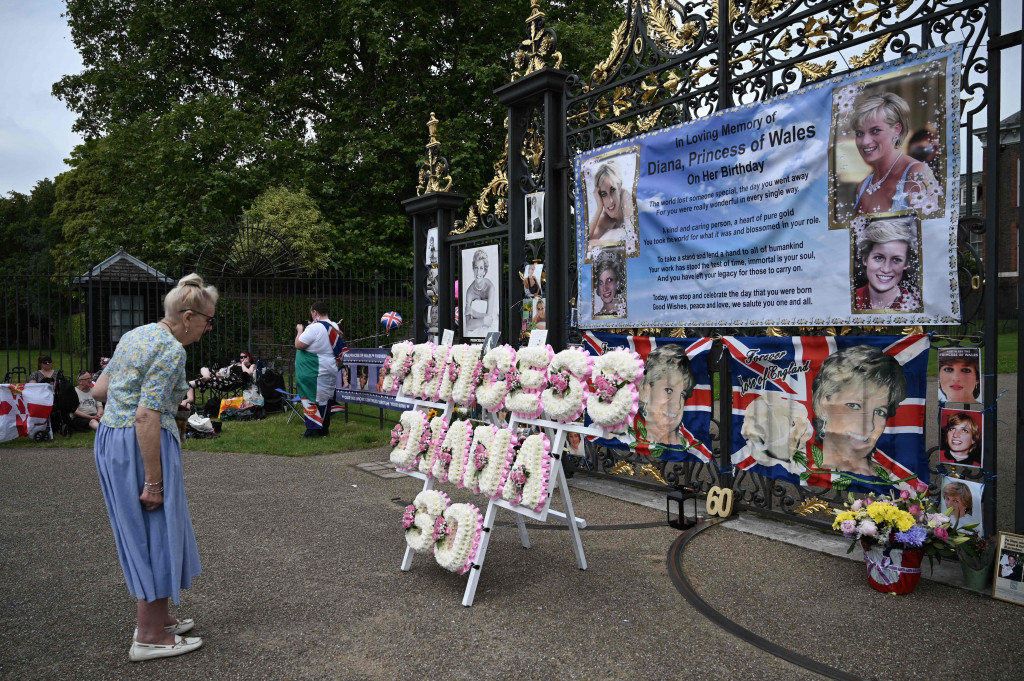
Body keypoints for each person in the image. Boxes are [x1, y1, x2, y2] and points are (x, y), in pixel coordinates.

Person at [91, 273, 216, 662]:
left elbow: (100, 391)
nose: (209, 328)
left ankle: (158, 620)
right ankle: (148, 635)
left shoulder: (137, 334)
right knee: (154, 530)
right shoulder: (172, 350)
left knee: (144, 531)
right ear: (190, 315)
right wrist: (154, 482)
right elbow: (145, 415)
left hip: (113, 439)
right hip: (140, 441)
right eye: (209, 320)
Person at [810, 344, 907, 476]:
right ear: (824, 404)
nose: (868, 425)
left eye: (879, 412)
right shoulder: (799, 470)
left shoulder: (898, 483)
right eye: (854, 405)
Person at [850, 92, 938, 215]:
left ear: (897, 129)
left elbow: (930, 230)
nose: (865, 141)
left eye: (875, 131)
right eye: (859, 133)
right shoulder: (864, 185)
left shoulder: (917, 173)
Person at [295, 302, 344, 438]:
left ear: (315, 313)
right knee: (324, 399)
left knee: (309, 399)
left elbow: (299, 344)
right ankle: (324, 429)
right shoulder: (334, 326)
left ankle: (313, 431)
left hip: (313, 371)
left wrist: (300, 330)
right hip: (329, 368)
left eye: (312, 313)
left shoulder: (314, 328)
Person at [853, 217, 921, 311]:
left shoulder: (917, 306)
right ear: (865, 259)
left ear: (906, 263)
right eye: (879, 258)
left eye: (896, 260)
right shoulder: (847, 301)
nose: (886, 269)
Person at [635, 344, 696, 446]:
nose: (678, 405)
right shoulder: (625, 437)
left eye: (682, 395)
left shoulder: (693, 446)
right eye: (669, 390)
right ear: (646, 390)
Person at [588, 161, 634, 250]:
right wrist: (599, 208)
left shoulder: (626, 196)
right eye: (604, 194)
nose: (611, 200)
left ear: (620, 186)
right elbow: (585, 242)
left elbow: (631, 239)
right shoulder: (605, 218)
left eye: (612, 190)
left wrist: (599, 243)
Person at [465, 250, 494, 333]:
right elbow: (468, 325)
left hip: (490, 331)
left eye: (481, 268)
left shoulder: (490, 287)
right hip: (474, 333)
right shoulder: (469, 292)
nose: (478, 272)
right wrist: (483, 319)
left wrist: (473, 312)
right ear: (473, 269)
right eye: (476, 268)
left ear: (485, 271)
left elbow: (490, 320)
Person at [593, 251, 626, 318]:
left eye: (609, 280)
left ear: (618, 281)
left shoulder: (629, 313)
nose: (605, 288)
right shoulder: (596, 318)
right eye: (601, 282)